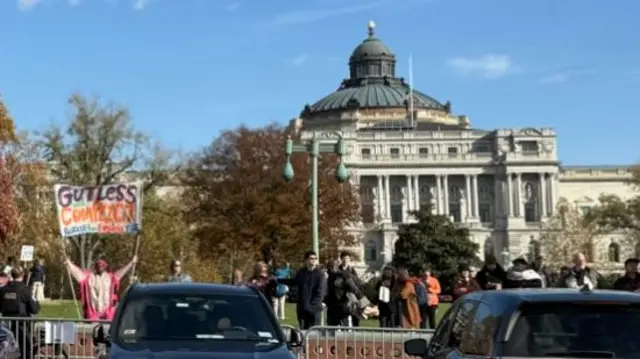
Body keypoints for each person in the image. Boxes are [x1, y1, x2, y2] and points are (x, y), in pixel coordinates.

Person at [64, 255, 137, 320]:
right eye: (98, 265)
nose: (100, 266)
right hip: (93, 311)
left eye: (102, 265)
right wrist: (69, 264)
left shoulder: (110, 278)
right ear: (95, 266)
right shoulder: (89, 277)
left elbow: (120, 274)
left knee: (108, 330)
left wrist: (131, 263)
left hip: (107, 311)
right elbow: (78, 274)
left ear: (106, 266)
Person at [279, 251, 326, 329]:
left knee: (313, 333)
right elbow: (294, 281)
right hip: (302, 308)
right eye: (311, 258)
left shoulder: (320, 274)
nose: (314, 260)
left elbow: (320, 292)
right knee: (303, 331)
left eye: (315, 258)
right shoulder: (302, 272)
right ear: (306, 260)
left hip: (314, 310)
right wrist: (279, 280)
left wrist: (312, 307)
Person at [0, 267, 39, 359]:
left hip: (6, 325)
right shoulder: (26, 290)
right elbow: (35, 309)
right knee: (24, 349)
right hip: (22, 326)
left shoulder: (3, 290)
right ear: (22, 275)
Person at [325, 260, 363, 327]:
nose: (329, 269)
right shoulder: (329, 277)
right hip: (331, 307)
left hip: (342, 307)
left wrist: (364, 303)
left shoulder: (344, 275)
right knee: (330, 330)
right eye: (328, 267)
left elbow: (355, 289)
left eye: (330, 267)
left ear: (336, 267)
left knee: (344, 330)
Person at [337, 251, 361, 327]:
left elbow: (357, 282)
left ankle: (356, 330)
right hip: (341, 297)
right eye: (344, 258)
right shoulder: (338, 269)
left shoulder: (352, 270)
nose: (346, 260)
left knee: (355, 316)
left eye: (347, 258)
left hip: (352, 296)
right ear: (341, 259)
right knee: (343, 316)